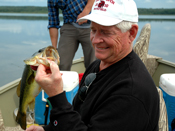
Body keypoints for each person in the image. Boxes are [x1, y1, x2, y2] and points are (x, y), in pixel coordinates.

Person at [26, 0, 160, 130]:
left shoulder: (131, 94)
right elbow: (80, 118)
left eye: (106, 32)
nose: (95, 40)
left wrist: (56, 96)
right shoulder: (97, 66)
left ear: (131, 33)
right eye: (93, 30)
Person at [48, 0, 96, 71]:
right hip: (69, 26)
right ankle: (61, 80)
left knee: (93, 63)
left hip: (91, 25)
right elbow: (53, 23)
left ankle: (93, 80)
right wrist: (54, 49)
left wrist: (86, 11)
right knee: (61, 64)